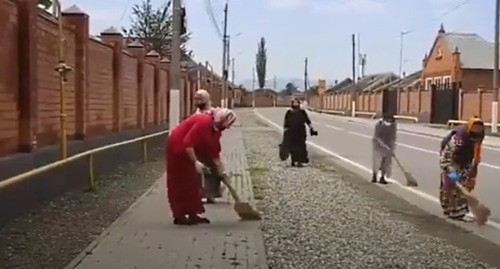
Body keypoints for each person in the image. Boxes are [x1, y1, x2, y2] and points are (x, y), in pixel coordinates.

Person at [165, 108, 236, 225]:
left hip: (191, 150)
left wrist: (220, 170)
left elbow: (214, 151)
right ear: (220, 120)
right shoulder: (203, 122)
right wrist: (195, 162)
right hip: (177, 148)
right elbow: (188, 143)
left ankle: (193, 214)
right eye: (226, 125)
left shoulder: (216, 130)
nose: (226, 128)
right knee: (180, 182)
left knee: (194, 181)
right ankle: (179, 215)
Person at [439, 116, 485, 221]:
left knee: (465, 185)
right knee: (451, 185)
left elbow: (476, 152)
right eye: (475, 128)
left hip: (465, 160)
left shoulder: (479, 136)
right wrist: (452, 172)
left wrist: (473, 171)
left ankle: (461, 211)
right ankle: (453, 212)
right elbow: (447, 156)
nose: (477, 131)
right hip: (451, 160)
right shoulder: (458, 139)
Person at [283, 98, 315, 167]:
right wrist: (285, 130)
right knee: (292, 147)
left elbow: (307, 120)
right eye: (294, 103)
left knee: (301, 147)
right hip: (291, 132)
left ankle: (300, 161)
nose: (295, 104)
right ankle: (293, 160)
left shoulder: (302, 112)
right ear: (292, 104)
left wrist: (311, 127)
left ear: (298, 104)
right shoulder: (289, 112)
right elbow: (286, 122)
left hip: (301, 132)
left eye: (296, 103)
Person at [371, 113, 397, 184]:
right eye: (388, 120)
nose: (389, 122)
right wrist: (382, 144)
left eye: (391, 121)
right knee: (377, 161)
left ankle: (382, 177)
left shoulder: (393, 126)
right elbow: (376, 136)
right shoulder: (379, 125)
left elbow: (393, 137)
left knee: (386, 163)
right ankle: (374, 176)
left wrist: (392, 148)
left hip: (388, 146)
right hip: (378, 146)